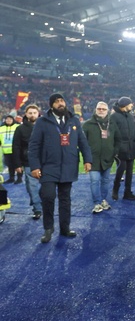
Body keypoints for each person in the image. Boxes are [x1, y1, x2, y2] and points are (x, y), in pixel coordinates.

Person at [28, 93, 92, 243]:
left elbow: (82, 142)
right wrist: (35, 166)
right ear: (51, 105)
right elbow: (34, 145)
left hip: (68, 166)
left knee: (65, 200)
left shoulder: (73, 120)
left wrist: (88, 159)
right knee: (48, 196)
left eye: (62, 101)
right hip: (48, 166)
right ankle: (48, 228)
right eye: (57, 101)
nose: (60, 103)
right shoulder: (42, 121)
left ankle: (65, 228)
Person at [82, 101, 120, 214]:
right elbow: (83, 143)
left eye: (104, 109)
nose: (101, 111)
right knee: (94, 181)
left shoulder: (112, 124)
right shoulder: (87, 124)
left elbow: (118, 140)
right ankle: (97, 203)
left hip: (108, 159)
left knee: (105, 181)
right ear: (95, 109)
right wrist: (86, 159)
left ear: (107, 111)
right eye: (99, 109)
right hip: (92, 159)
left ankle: (103, 200)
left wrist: (114, 152)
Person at [12, 104, 42, 220]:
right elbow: (16, 147)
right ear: (26, 114)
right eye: (30, 113)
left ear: (38, 114)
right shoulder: (20, 129)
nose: (32, 115)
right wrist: (17, 164)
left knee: (45, 187)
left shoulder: (45, 127)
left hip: (45, 161)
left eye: (34, 113)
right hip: (28, 161)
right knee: (32, 187)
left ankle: (39, 203)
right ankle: (37, 208)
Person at [110, 96, 135, 201]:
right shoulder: (114, 117)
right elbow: (112, 133)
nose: (132, 106)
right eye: (130, 104)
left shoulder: (130, 116)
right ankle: (115, 190)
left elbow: (134, 132)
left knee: (130, 172)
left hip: (131, 148)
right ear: (125, 105)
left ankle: (127, 192)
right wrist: (115, 148)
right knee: (121, 170)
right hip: (120, 149)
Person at [1, 114, 20, 184]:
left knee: (18, 165)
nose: (8, 120)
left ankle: (19, 178)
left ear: (13, 120)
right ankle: (11, 178)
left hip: (16, 150)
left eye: (10, 119)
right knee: (10, 166)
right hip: (6, 151)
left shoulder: (17, 127)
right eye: (7, 119)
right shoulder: (1, 128)